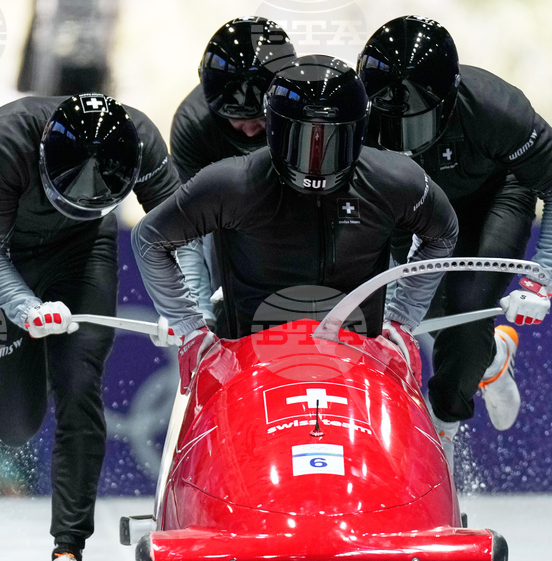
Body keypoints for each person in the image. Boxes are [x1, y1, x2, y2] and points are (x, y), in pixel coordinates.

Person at [0, 94, 179, 561]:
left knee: (80, 386)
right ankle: (29, 360)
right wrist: (24, 308)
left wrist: (188, 304)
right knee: (15, 424)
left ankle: (68, 552)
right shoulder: (1, 140)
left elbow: (187, 229)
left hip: (84, 252)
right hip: (5, 258)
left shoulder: (140, 140)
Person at [133, 56, 458, 390]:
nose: (315, 159)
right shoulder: (232, 183)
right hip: (247, 366)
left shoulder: (393, 180)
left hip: (359, 365)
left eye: (330, 140)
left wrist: (402, 318)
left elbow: (442, 233)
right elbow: (151, 239)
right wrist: (190, 327)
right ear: (274, 128)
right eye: (301, 139)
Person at [357, 16, 552, 465]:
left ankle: (443, 430)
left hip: (491, 199)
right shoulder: (353, 118)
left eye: (417, 122)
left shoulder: (496, 109)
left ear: (450, 101)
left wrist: (543, 281)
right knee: (417, 315)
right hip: (409, 208)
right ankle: (493, 358)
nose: (406, 140)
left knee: (466, 312)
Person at [171, 17, 296, 330]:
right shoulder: (194, 125)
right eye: (237, 120)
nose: (250, 131)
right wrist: (196, 312)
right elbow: (190, 231)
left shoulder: (310, 111)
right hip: (230, 217)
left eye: (260, 119)